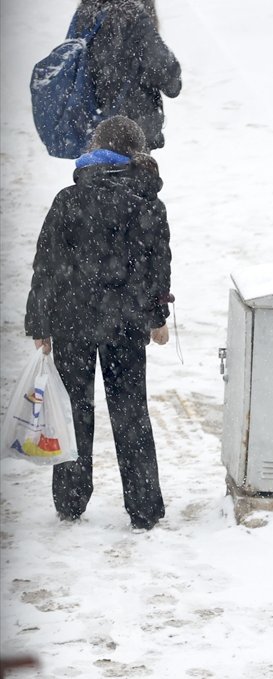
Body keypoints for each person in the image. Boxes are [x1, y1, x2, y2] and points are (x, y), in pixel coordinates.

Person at [24, 115, 173, 532]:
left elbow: (46, 266)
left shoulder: (69, 200)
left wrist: (41, 323)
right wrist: (156, 319)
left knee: (73, 411)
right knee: (131, 413)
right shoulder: (147, 201)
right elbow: (157, 268)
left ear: (96, 148)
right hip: (125, 325)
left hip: (73, 322)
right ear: (135, 152)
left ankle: (70, 501)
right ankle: (144, 509)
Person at [74, 0, 182, 150]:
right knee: (130, 171)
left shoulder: (85, 13)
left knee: (97, 170)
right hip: (133, 131)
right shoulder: (134, 16)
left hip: (93, 126)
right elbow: (170, 82)